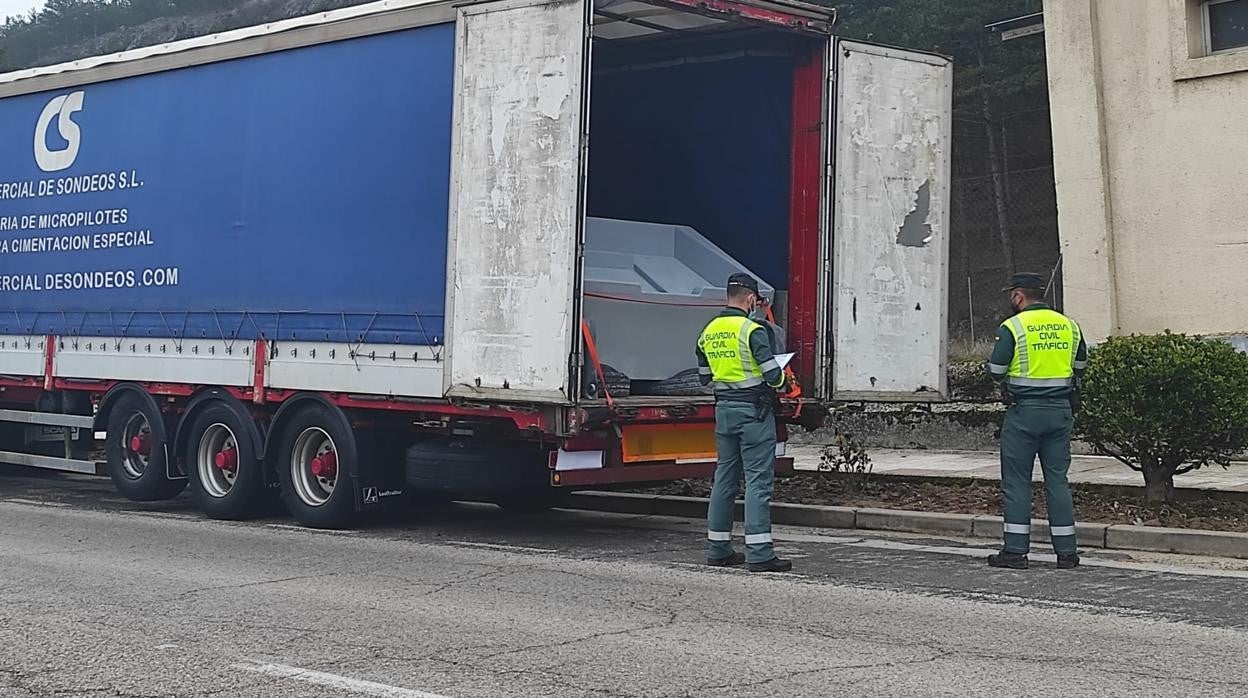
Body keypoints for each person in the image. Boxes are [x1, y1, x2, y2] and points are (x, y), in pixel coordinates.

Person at [987, 272, 1088, 570]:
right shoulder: (1069, 325)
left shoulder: (1013, 327)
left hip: (1025, 414)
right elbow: (1081, 364)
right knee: (1057, 480)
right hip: (1060, 411)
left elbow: (995, 369)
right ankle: (1067, 553)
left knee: (1017, 481)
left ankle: (1016, 552)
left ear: (1019, 296)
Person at [695, 273, 791, 573]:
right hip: (754, 414)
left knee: (724, 479)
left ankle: (718, 549)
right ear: (750, 299)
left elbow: (704, 376)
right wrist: (784, 380)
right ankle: (760, 553)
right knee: (758, 482)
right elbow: (773, 376)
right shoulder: (752, 330)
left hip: (724, 412)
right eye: (757, 302)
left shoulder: (708, 330)